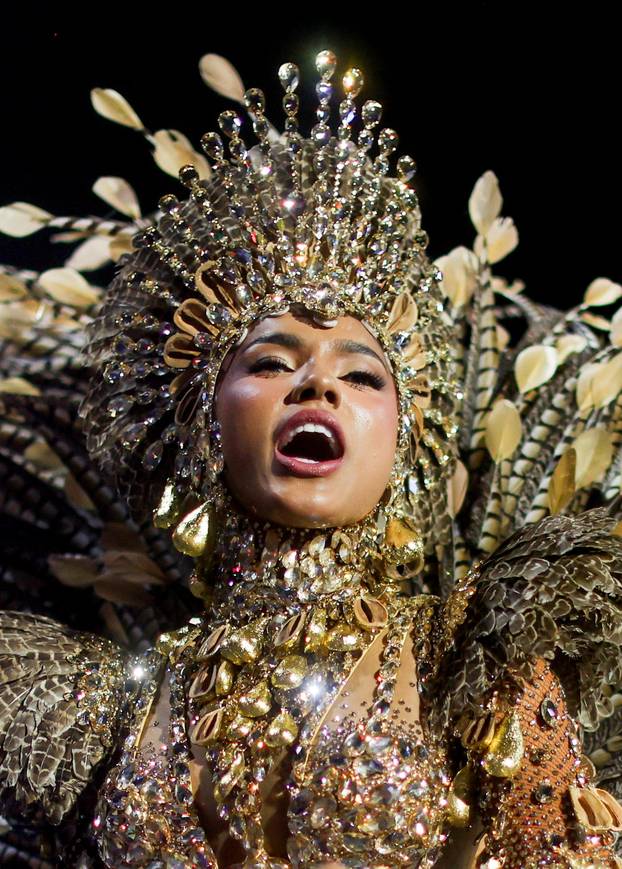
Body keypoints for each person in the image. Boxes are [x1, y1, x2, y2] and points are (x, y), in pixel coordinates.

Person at [1, 47, 622, 869]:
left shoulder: (473, 656)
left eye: (362, 373)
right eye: (268, 362)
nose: (317, 384)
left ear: (403, 433)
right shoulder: (111, 707)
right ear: (200, 422)